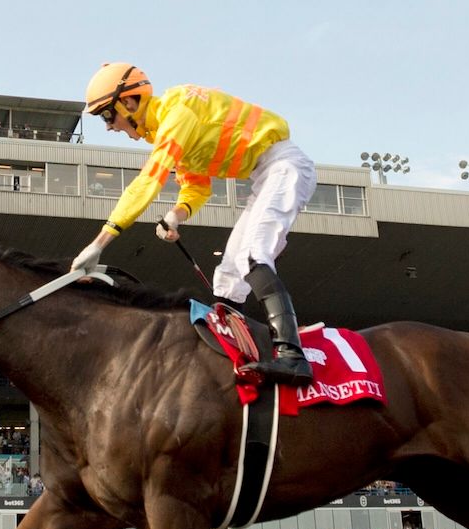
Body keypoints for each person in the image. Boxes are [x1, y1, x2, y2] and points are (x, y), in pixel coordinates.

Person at [70, 62, 317, 386]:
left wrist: (99, 242)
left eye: (107, 115)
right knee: (227, 278)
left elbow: (148, 181)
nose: (109, 126)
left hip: (285, 167)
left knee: (253, 255)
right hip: (265, 178)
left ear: (129, 102)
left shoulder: (176, 112)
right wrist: (176, 214)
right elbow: (197, 187)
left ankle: (293, 359)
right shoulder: (168, 130)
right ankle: (232, 355)